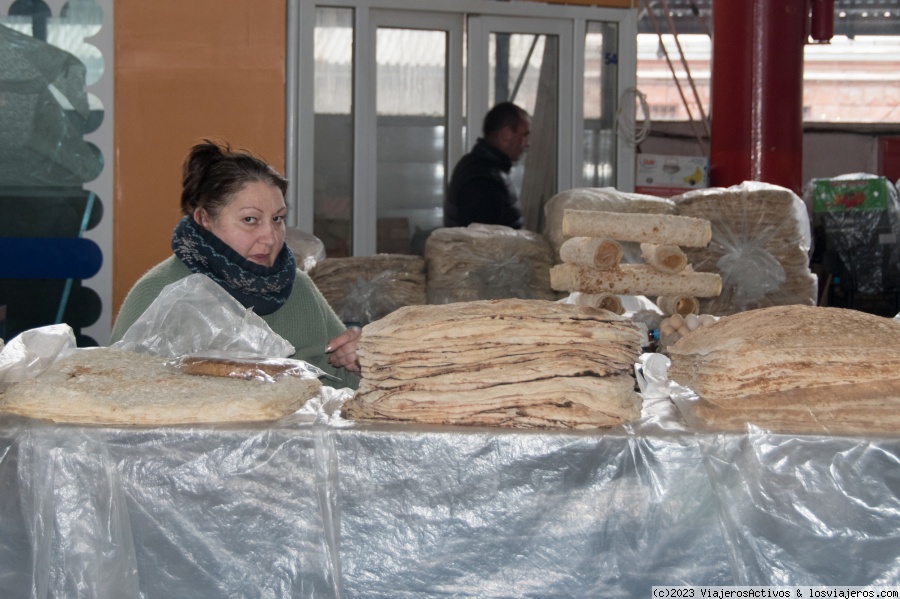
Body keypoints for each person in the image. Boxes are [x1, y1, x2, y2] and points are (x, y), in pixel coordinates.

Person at [109, 140, 361, 389]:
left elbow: (345, 388)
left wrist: (359, 362)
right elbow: (113, 396)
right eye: (250, 219)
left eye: (277, 219)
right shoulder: (159, 293)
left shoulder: (300, 290)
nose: (271, 237)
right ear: (204, 218)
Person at [443, 101, 531, 229]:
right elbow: (481, 242)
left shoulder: (487, 171)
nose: (526, 143)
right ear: (505, 134)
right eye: (524, 135)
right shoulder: (482, 179)